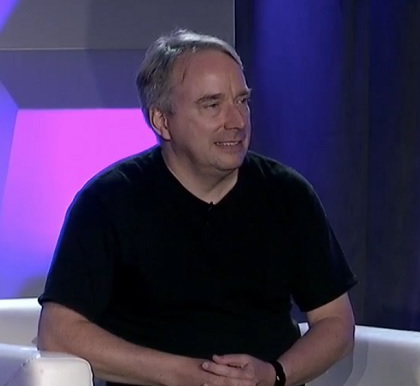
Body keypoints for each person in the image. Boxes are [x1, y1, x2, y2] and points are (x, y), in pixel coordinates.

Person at [37, 29, 358, 386]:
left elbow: (335, 322)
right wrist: (188, 375)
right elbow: (59, 333)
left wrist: (275, 375)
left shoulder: (288, 195)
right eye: (212, 105)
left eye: (242, 101)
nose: (237, 121)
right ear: (162, 120)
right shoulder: (108, 202)